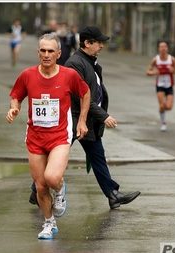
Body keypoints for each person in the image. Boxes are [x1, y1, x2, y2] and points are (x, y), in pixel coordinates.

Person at [29, 26, 141, 210]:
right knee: (56, 159)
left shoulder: (90, 62)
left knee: (97, 157)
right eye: (98, 42)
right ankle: (37, 190)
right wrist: (103, 116)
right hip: (72, 120)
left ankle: (113, 195)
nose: (102, 46)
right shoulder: (75, 63)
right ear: (87, 43)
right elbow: (79, 96)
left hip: (86, 121)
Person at [6, 34, 91, 240]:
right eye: (43, 51)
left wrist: (82, 121)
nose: (46, 55)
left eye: (50, 51)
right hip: (35, 137)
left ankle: (60, 189)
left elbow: (85, 93)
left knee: (52, 178)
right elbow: (16, 95)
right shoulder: (27, 75)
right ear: (38, 52)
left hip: (59, 136)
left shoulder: (68, 75)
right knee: (40, 185)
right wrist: (14, 109)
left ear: (58, 54)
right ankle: (49, 222)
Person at [146, 41, 175, 131]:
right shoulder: (155, 60)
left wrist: (173, 70)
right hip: (160, 85)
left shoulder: (172, 59)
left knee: (168, 107)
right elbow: (148, 72)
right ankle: (164, 123)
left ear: (167, 48)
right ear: (158, 49)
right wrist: (154, 72)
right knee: (162, 106)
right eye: (161, 47)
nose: (163, 49)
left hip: (169, 85)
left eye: (165, 47)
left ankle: (163, 108)